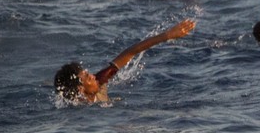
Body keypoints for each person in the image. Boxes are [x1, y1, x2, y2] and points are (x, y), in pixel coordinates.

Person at [54, 20, 195, 103]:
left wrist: (167, 35)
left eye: (87, 73)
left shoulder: (99, 82)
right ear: (80, 90)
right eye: (86, 77)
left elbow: (130, 52)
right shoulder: (80, 110)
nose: (92, 75)